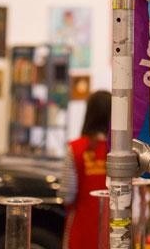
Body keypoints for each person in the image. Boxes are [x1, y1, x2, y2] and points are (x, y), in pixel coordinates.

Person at [62, 90, 111, 248]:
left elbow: (67, 194)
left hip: (82, 229)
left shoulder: (75, 148)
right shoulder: (121, 151)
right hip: (115, 229)